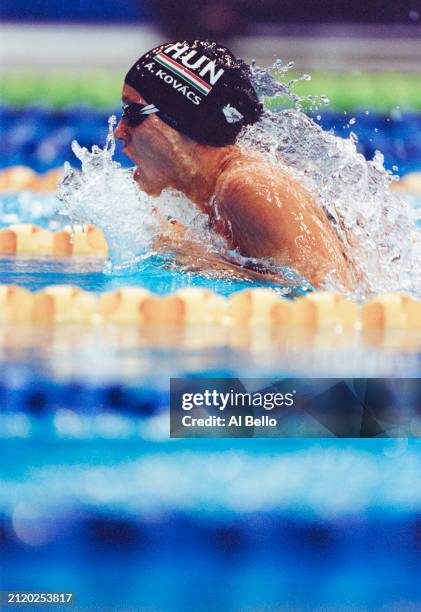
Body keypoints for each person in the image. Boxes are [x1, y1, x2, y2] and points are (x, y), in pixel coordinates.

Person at [115, 39, 355, 289]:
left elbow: (331, 294)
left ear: (180, 121)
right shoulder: (211, 192)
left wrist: (194, 258)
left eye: (133, 113)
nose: (119, 132)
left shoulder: (246, 186)